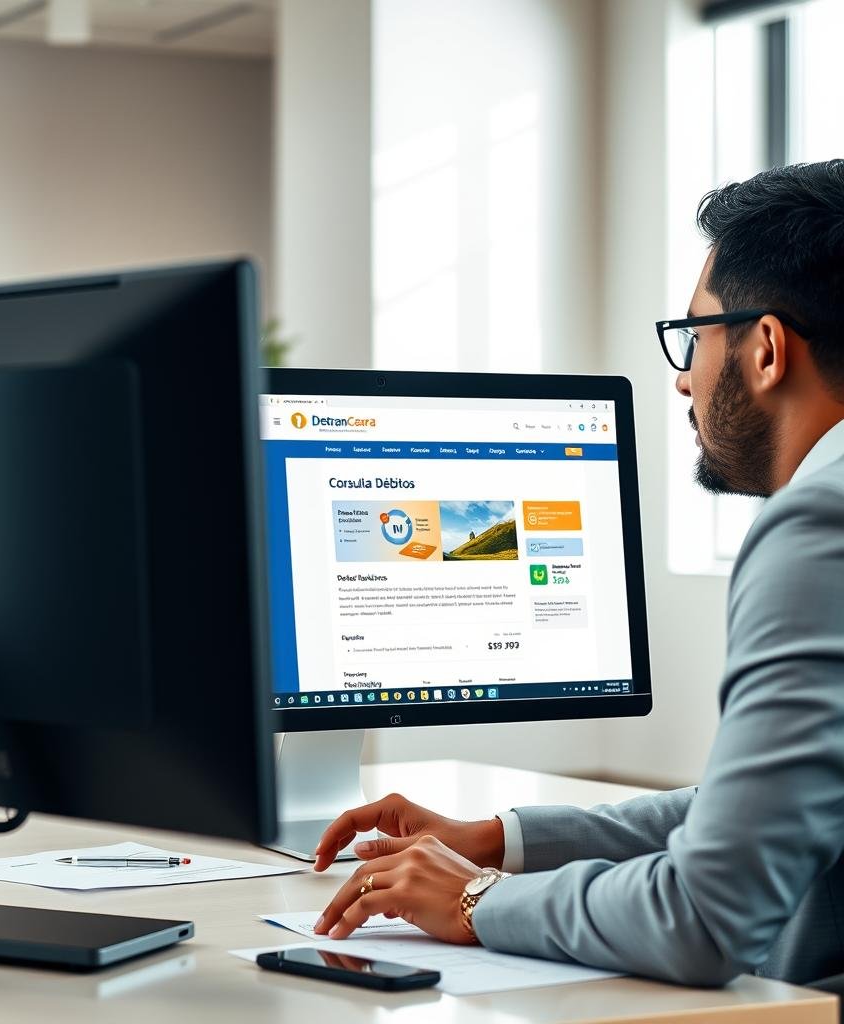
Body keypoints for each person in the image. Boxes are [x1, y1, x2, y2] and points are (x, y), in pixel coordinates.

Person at [312, 160, 844, 988]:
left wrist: (478, 899)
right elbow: (751, 820)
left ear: (767, 348)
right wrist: (497, 839)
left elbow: (705, 917)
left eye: (694, 336)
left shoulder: (819, 524)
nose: (682, 376)